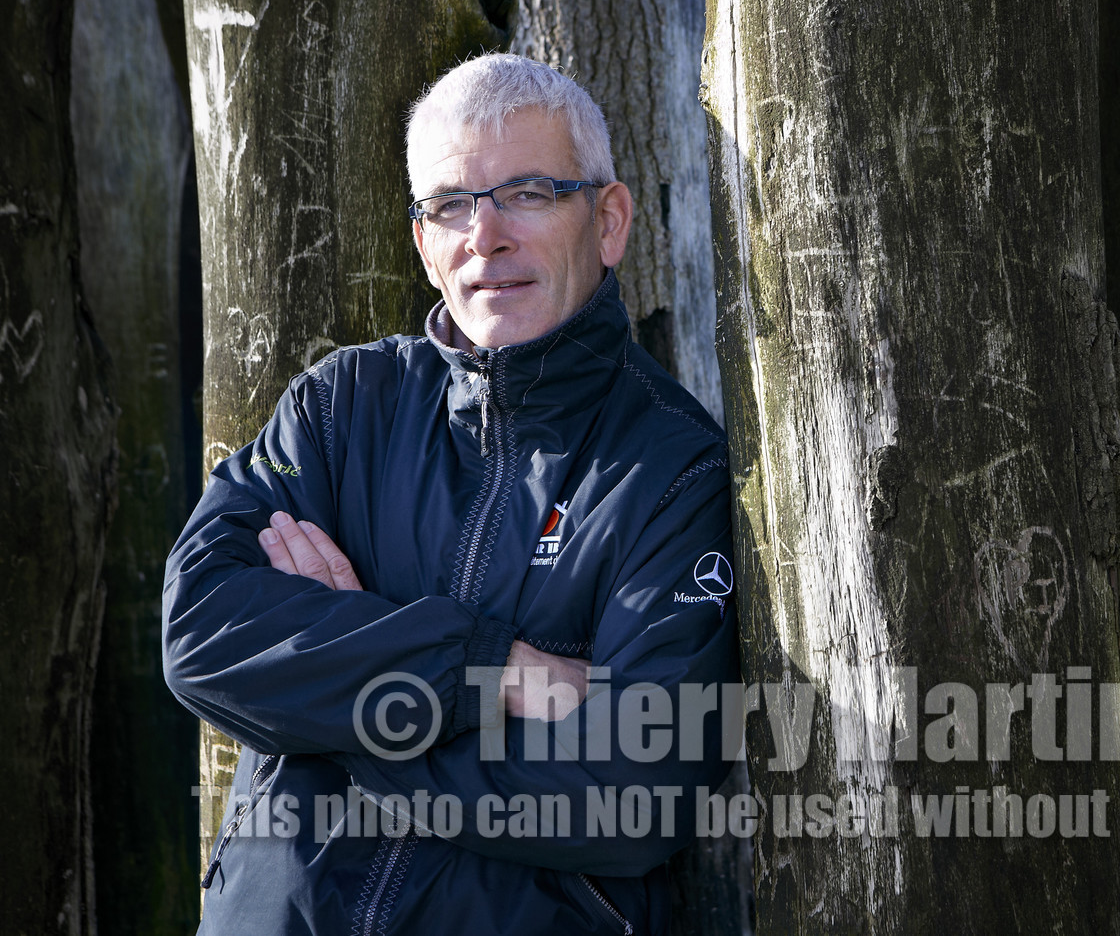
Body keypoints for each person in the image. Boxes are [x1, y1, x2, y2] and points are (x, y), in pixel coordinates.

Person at [163, 53, 738, 935]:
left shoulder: (671, 468)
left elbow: (632, 786)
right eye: (450, 205)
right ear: (426, 246)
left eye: (530, 192)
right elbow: (200, 631)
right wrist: (494, 671)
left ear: (610, 221)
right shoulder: (341, 408)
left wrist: (337, 689)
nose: (486, 235)